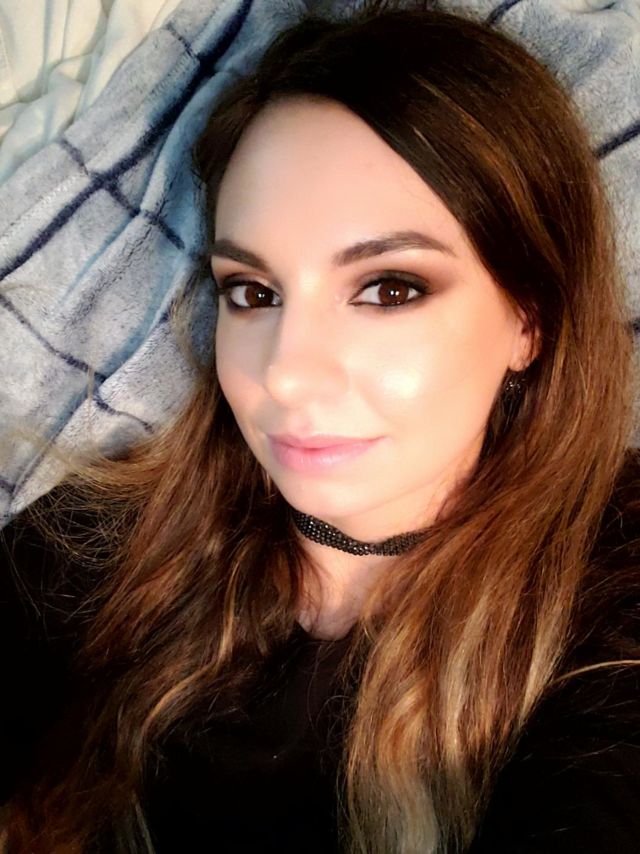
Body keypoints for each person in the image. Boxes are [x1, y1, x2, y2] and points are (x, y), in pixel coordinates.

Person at [1, 1, 640, 851]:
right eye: (253, 293)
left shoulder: (611, 598)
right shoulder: (107, 543)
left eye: (389, 288)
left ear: (530, 319)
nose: (286, 372)